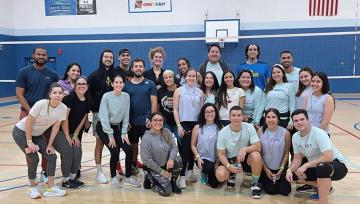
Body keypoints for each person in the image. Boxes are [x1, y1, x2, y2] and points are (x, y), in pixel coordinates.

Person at [13, 83, 67, 198]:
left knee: (52, 156)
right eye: (55, 93)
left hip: (37, 134)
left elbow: (56, 127)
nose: (57, 95)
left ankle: (50, 188)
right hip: (21, 132)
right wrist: (29, 142)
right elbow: (28, 122)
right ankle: (32, 188)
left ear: (63, 95)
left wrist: (49, 145)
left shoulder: (63, 108)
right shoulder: (41, 104)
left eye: (60, 93)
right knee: (34, 158)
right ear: (50, 94)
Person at [15, 47, 59, 182]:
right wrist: (31, 111)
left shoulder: (52, 74)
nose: (41, 56)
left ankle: (45, 173)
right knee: (30, 147)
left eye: (44, 54)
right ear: (33, 55)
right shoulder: (23, 72)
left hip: (46, 116)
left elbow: (55, 93)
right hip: (27, 113)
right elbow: (19, 94)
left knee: (45, 145)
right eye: (38, 54)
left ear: (47, 57)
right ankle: (32, 176)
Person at [286, 109, 348, 203]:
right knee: (293, 175)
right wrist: (289, 170)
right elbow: (297, 158)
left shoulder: (319, 133)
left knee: (322, 167)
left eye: (302, 119)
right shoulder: (295, 137)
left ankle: (323, 201)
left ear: (308, 120)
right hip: (316, 166)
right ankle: (326, 187)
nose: (299, 122)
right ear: (293, 123)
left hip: (337, 165)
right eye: (296, 121)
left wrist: (306, 165)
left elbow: (328, 157)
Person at [96, 75, 141, 188]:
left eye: (121, 82)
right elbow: (104, 116)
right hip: (103, 127)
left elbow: (126, 115)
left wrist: (124, 133)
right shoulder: (106, 96)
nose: (119, 84)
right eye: (116, 82)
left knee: (129, 149)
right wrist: (110, 135)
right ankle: (113, 177)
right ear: (112, 84)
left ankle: (128, 177)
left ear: (123, 84)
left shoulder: (126, 96)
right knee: (115, 150)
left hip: (116, 127)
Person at [215, 106, 263, 199]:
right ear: (229, 117)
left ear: (242, 117)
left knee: (256, 155)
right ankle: (231, 175)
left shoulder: (249, 127)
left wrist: (245, 149)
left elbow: (258, 146)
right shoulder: (222, 132)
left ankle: (255, 183)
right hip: (230, 160)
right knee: (220, 175)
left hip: (244, 158)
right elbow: (221, 154)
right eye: (233, 115)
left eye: (238, 115)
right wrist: (228, 166)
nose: (236, 118)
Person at [123, 58, 158, 173]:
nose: (138, 68)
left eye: (140, 66)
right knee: (133, 145)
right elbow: (124, 104)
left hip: (146, 122)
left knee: (147, 146)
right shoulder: (126, 86)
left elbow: (154, 102)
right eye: (136, 66)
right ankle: (133, 164)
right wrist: (125, 120)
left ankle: (149, 167)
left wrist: (152, 120)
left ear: (143, 68)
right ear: (132, 68)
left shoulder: (150, 84)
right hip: (131, 122)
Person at [88, 49, 115, 183]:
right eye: (106, 57)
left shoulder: (116, 74)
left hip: (115, 114)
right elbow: (88, 94)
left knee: (115, 143)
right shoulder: (93, 76)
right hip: (99, 114)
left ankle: (115, 171)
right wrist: (94, 109)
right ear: (102, 58)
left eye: (110, 57)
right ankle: (99, 172)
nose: (108, 59)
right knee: (100, 143)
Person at [173, 69, 204, 188]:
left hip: (196, 123)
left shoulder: (200, 92)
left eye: (194, 76)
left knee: (193, 148)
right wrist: (178, 125)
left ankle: (190, 171)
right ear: (185, 77)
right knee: (185, 150)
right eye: (189, 76)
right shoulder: (179, 90)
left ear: (196, 78)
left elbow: (201, 110)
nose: (191, 78)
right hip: (184, 123)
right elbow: (175, 109)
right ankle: (181, 177)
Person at [59, 76, 91, 188]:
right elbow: (64, 118)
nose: (81, 86)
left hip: (74, 132)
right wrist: (68, 136)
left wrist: (76, 135)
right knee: (68, 153)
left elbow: (84, 118)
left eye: (84, 84)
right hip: (61, 130)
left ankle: (72, 178)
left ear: (87, 86)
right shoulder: (70, 97)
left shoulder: (87, 99)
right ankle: (65, 180)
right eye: (79, 84)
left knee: (77, 152)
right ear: (75, 86)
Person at [141, 112, 182, 196]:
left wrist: (171, 159)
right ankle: (148, 177)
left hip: (165, 164)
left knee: (178, 160)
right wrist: (162, 172)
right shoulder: (146, 137)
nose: (158, 122)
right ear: (151, 122)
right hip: (153, 168)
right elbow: (146, 160)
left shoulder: (167, 132)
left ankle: (173, 182)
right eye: (155, 120)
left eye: (160, 120)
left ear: (163, 122)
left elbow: (174, 148)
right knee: (167, 191)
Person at [258, 108, 291, 196]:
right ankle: (260, 180)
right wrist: (266, 170)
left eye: (273, 117)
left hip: (280, 168)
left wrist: (281, 169)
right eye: (268, 117)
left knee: (285, 191)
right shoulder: (260, 131)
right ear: (265, 119)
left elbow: (286, 153)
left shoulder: (286, 133)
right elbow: (259, 154)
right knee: (271, 191)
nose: (270, 120)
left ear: (278, 119)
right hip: (265, 168)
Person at [191, 103, 221, 188]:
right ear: (203, 114)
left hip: (216, 158)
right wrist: (198, 157)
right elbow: (193, 145)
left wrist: (218, 162)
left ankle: (212, 171)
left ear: (215, 113)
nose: (209, 113)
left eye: (212, 111)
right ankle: (204, 172)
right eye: (206, 112)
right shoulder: (197, 127)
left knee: (215, 184)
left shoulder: (220, 127)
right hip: (202, 158)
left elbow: (222, 147)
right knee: (208, 168)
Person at [258, 64, 296, 130]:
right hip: (267, 119)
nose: (276, 74)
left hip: (282, 120)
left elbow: (292, 104)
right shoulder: (268, 87)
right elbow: (262, 104)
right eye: (273, 73)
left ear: (283, 73)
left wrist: (291, 121)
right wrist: (257, 120)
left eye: (278, 72)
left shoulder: (289, 86)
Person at [158, 70, 179, 139]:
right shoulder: (160, 91)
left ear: (174, 78)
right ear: (163, 80)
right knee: (166, 143)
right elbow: (158, 107)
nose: (168, 79)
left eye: (170, 77)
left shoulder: (181, 89)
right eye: (166, 78)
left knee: (182, 142)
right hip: (166, 122)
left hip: (179, 122)